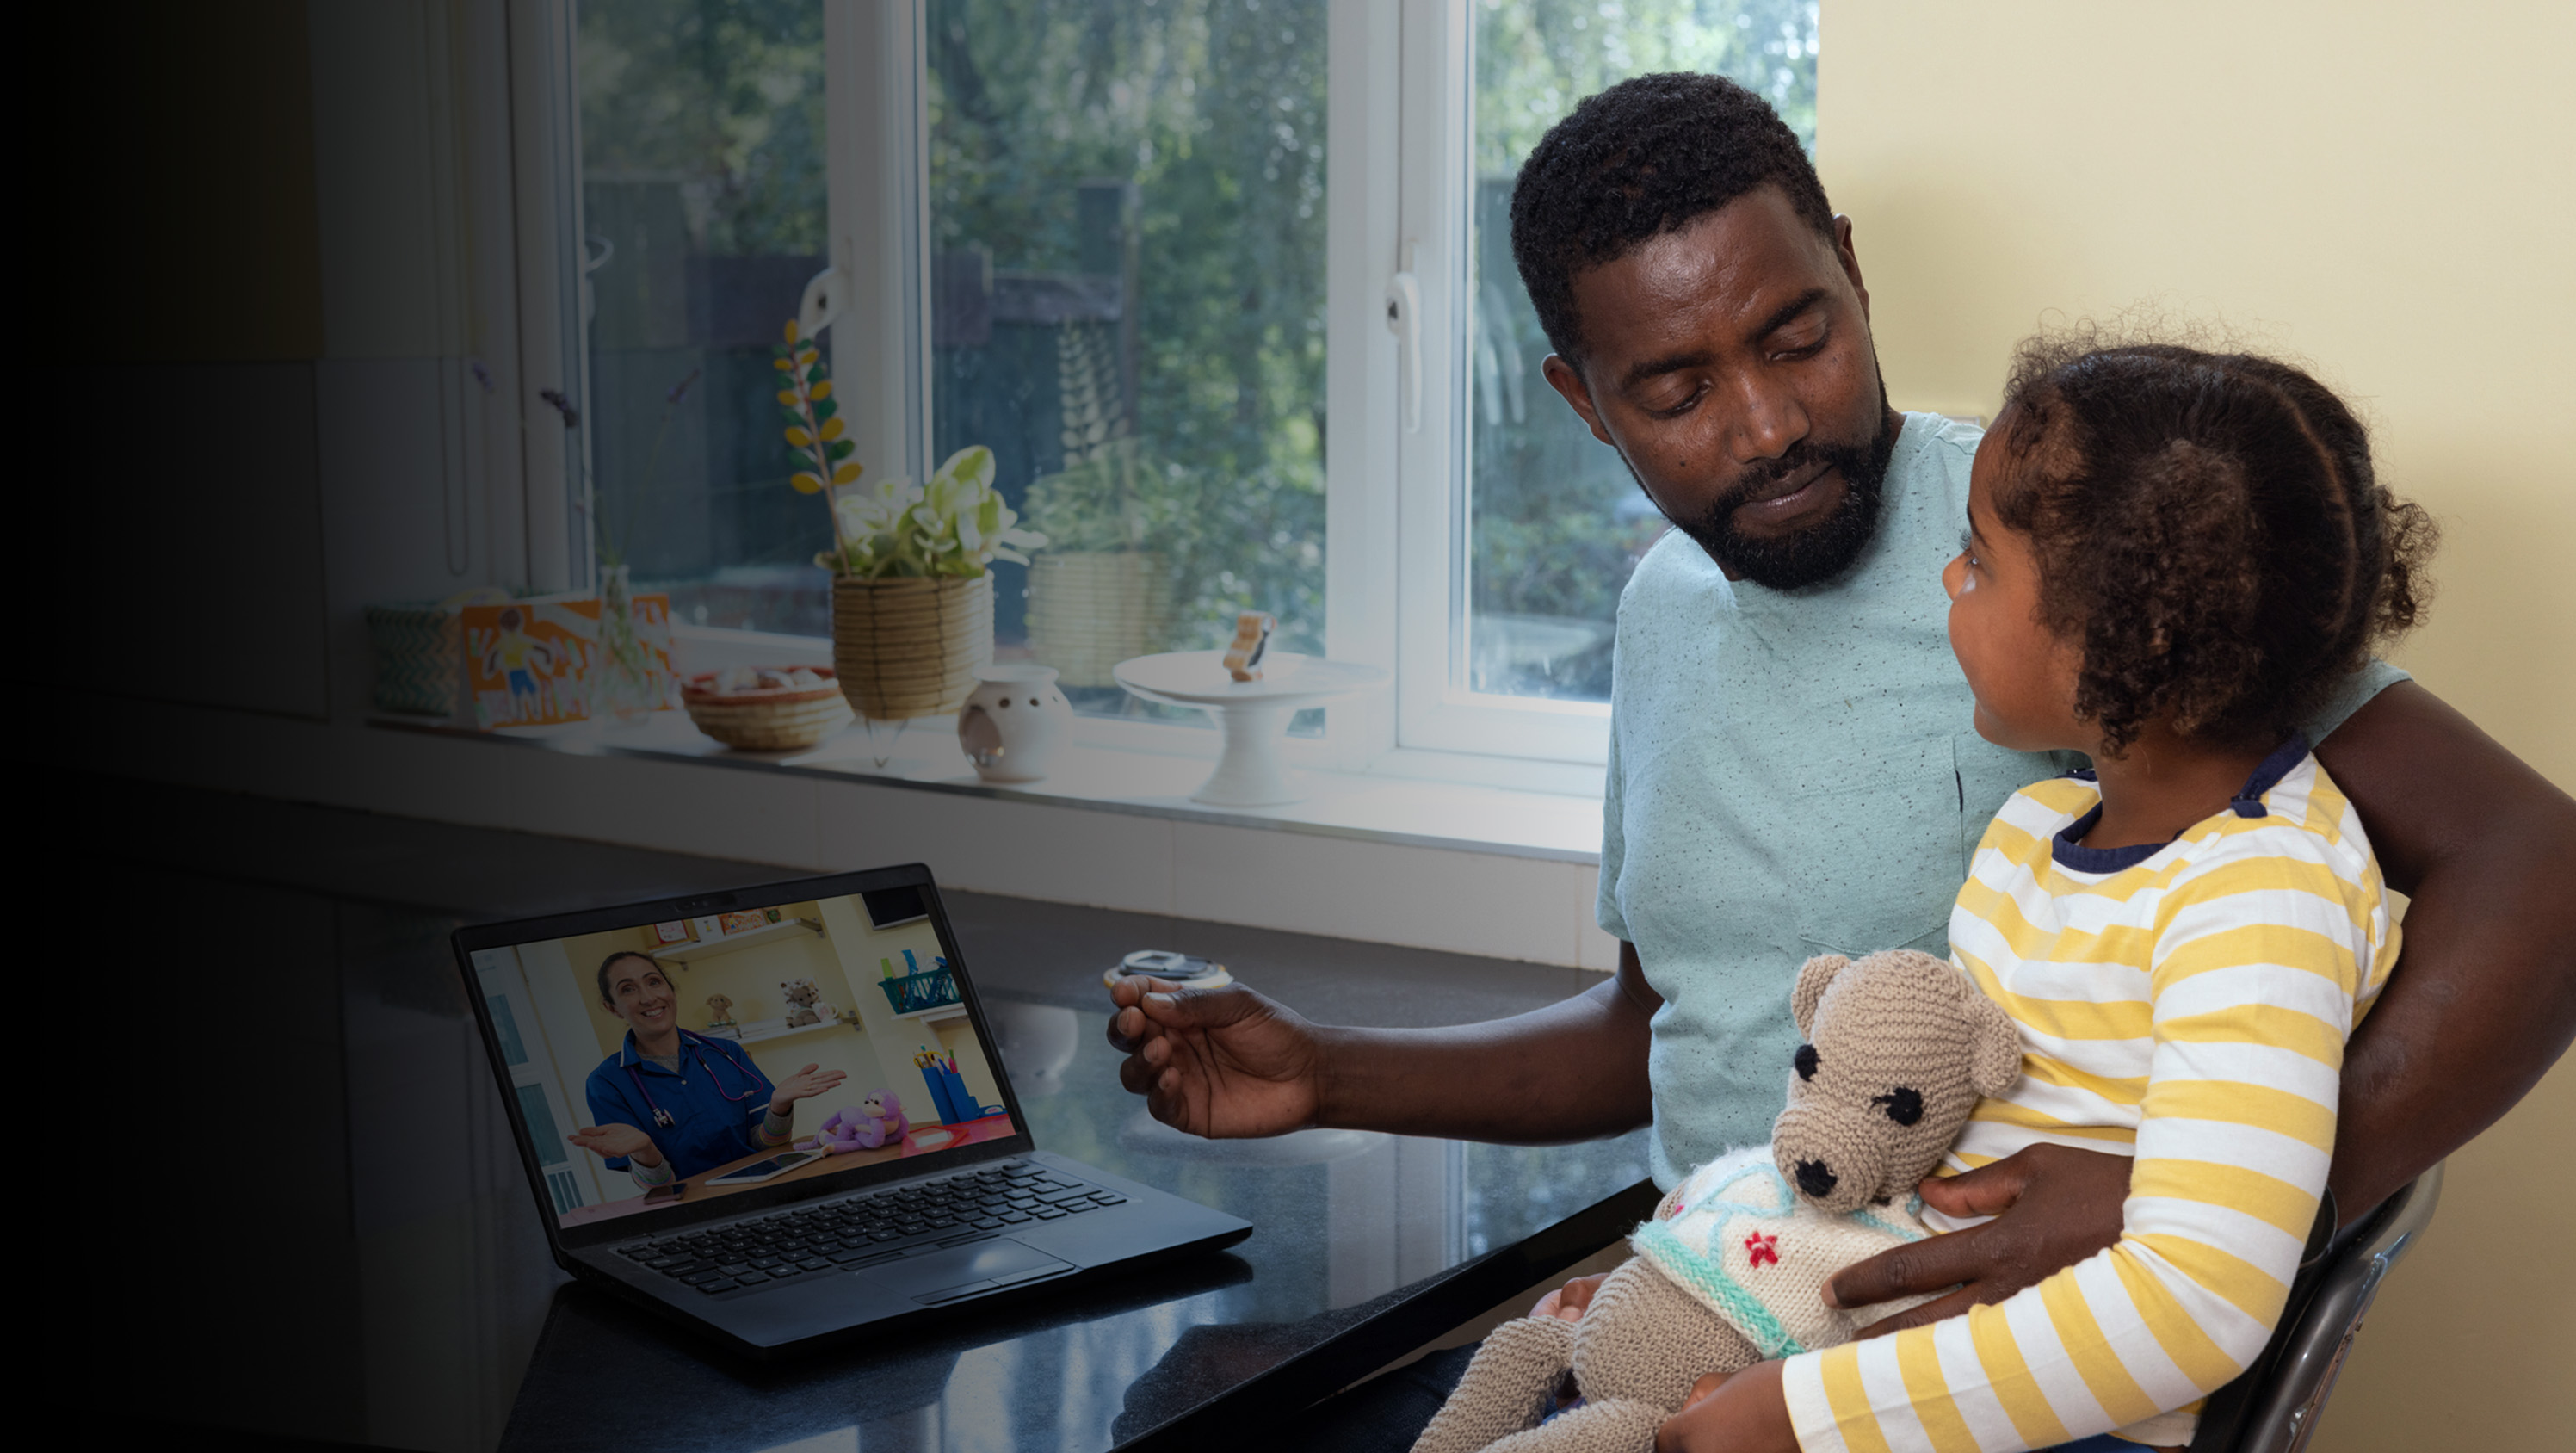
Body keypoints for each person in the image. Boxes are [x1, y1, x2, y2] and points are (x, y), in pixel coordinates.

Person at [1104, 72, 2576, 1444]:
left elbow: (2543, 865)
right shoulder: (1662, 612)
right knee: (1187, 1398)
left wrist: (2202, 1204)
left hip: (1901, 1365)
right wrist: (1329, 1070)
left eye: (1799, 336)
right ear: (1583, 401)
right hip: (1711, 1281)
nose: (1770, 423)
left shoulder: (2074, 543)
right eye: (1676, 391)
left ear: (1853, 272)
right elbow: (1671, 1022)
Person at [1652, 337, 2427, 1453]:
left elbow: (2194, 1308)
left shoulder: (2262, 895)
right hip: (1915, 1357)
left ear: (2125, 637)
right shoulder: (2037, 836)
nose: (1948, 579)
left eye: (1980, 560)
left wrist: (1795, 1414)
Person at [571, 949, 845, 1187]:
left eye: (654, 982)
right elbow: (661, 1186)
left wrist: (778, 1107)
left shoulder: (726, 1053)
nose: (648, 998)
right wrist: (645, 1151)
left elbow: (766, 1145)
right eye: (628, 989)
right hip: (697, 1211)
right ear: (613, 1008)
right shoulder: (606, 1083)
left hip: (766, 1189)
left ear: (670, 989)